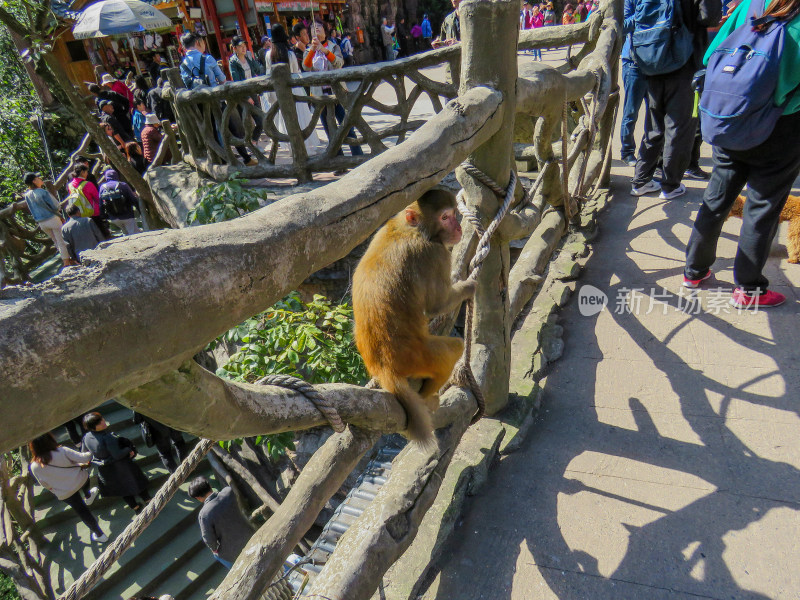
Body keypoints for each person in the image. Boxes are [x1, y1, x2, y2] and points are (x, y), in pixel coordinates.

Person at [684, 0, 800, 308]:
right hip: (781, 127)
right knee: (762, 209)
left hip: (732, 119)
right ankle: (749, 288)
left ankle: (694, 270)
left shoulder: (749, 5)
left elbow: (711, 55)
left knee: (717, 197)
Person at [629, 0, 720, 199]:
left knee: (653, 126)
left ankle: (641, 180)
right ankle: (670, 185)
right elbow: (709, 17)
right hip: (684, 63)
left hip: (653, 59)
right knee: (680, 128)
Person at [180, 32, 257, 166]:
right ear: (198, 42)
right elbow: (222, 80)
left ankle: (223, 162)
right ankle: (246, 158)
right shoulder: (208, 59)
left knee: (213, 133)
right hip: (216, 100)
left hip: (199, 105)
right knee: (233, 127)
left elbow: (187, 85)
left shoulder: (183, 65)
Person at [302, 20, 364, 161]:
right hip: (320, 96)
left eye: (318, 27)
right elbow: (306, 67)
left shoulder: (333, 46)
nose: (316, 29)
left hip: (338, 93)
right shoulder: (308, 50)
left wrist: (324, 51)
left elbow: (339, 63)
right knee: (330, 130)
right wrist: (313, 49)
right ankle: (338, 160)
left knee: (347, 125)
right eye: (313, 28)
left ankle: (358, 156)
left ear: (325, 30)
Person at [29, 433, 107, 543]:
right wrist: (92, 448)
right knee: (86, 480)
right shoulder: (62, 451)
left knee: (83, 512)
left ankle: (100, 535)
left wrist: (53, 489)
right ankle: (88, 495)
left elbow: (44, 483)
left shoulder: (34, 466)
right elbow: (84, 458)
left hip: (65, 493)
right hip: (80, 480)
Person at [265, 24, 321, 154]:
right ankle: (304, 146)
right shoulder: (290, 54)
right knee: (300, 118)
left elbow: (269, 75)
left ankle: (292, 149)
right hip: (294, 89)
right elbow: (296, 72)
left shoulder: (269, 55)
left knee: (285, 119)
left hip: (279, 92)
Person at [82, 412, 151, 513]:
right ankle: (148, 501)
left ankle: (136, 507)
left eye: (101, 419)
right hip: (122, 466)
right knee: (137, 483)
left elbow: (84, 453)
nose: (103, 421)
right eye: (99, 422)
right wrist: (128, 449)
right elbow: (118, 455)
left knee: (122, 489)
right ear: (93, 427)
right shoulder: (107, 437)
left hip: (106, 470)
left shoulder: (86, 437)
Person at [188, 476, 254, 569]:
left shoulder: (204, 514)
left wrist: (214, 550)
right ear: (210, 486)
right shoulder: (228, 491)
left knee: (216, 555)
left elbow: (209, 539)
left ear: (198, 498)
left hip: (233, 551)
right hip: (250, 535)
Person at [619, 0, 648, 166]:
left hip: (656, 63)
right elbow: (623, 25)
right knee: (631, 111)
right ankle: (627, 151)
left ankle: (648, 153)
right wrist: (645, 13)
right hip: (633, 62)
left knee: (655, 112)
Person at [22, 172, 71, 267]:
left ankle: (65, 259)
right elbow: (56, 206)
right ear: (34, 181)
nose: (40, 179)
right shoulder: (43, 192)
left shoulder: (27, 195)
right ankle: (67, 262)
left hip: (42, 223)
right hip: (52, 219)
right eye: (38, 177)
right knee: (61, 240)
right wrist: (60, 215)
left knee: (56, 241)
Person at [228, 35, 264, 143]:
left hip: (252, 92)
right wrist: (247, 97)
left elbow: (258, 69)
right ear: (235, 48)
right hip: (243, 95)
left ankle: (253, 142)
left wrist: (252, 59)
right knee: (250, 122)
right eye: (240, 46)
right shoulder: (233, 62)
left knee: (260, 120)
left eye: (244, 45)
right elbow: (237, 81)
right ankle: (252, 143)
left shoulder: (248, 56)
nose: (243, 48)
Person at [98, 169, 142, 235]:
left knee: (125, 233)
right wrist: (140, 211)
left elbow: (101, 204)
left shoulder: (102, 187)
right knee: (134, 234)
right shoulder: (123, 185)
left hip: (114, 218)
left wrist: (104, 216)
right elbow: (133, 199)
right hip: (127, 216)